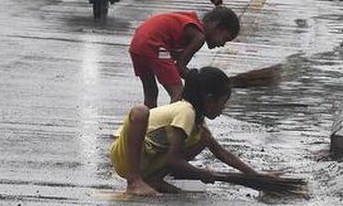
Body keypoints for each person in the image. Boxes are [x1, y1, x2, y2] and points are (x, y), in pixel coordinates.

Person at [110, 67, 262, 196]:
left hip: (147, 158)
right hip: (127, 156)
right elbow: (173, 160)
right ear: (209, 100)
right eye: (223, 103)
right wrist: (201, 173)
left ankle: (153, 179)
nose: (223, 110)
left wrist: (256, 176)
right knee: (140, 111)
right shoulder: (186, 111)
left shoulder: (198, 119)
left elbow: (221, 152)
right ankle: (134, 181)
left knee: (203, 138)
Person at [129, 0, 240, 108]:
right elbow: (180, 67)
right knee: (178, 92)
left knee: (151, 92)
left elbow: (175, 66)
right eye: (225, 38)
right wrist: (201, 83)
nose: (222, 44)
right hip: (154, 46)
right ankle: (173, 123)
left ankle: (147, 123)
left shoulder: (190, 22)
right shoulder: (199, 37)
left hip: (137, 45)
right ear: (217, 27)